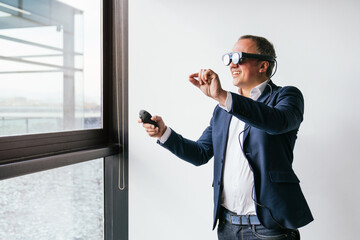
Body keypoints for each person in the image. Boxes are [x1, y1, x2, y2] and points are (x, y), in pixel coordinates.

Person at [139, 35, 313, 240]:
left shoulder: (286, 96)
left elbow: (277, 123)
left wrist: (222, 96)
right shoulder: (222, 110)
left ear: (263, 65)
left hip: (269, 228)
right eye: (228, 58)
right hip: (228, 226)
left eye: (238, 57)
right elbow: (200, 154)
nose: (231, 64)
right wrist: (164, 133)